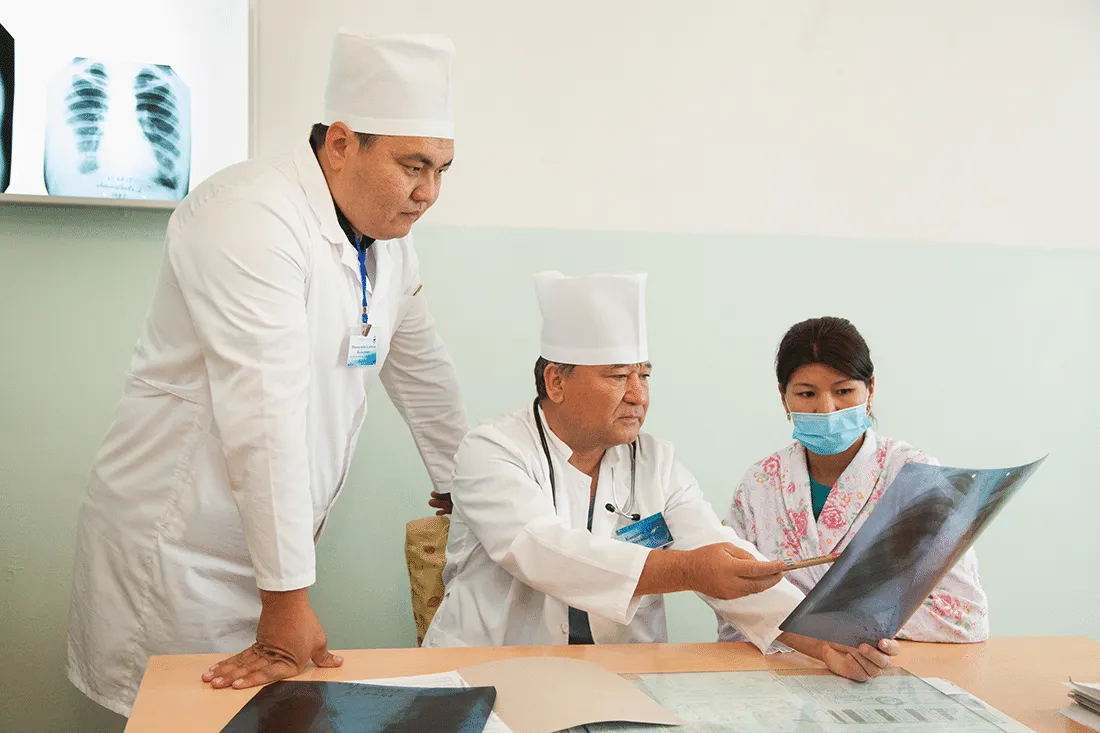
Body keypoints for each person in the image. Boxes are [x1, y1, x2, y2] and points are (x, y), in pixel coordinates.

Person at [66, 31, 468, 717]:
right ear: (340, 143)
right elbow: (265, 411)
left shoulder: (389, 247)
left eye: (442, 170)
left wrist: (468, 494)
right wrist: (286, 600)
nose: (427, 192)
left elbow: (426, 375)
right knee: (178, 717)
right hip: (179, 553)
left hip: (268, 551)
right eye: (413, 166)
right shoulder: (249, 215)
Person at [423, 272, 899, 683]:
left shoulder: (657, 461)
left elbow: (718, 551)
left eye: (644, 376)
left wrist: (818, 641)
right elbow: (543, 554)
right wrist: (689, 569)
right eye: (617, 377)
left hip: (619, 680)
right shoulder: (492, 450)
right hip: (489, 674)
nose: (637, 395)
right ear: (556, 382)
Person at [717, 316, 988, 644]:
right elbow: (736, 614)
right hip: (781, 676)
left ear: (870, 389)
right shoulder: (759, 486)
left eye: (843, 391)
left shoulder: (916, 477)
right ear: (783, 396)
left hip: (886, 673)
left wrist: (837, 623)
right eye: (806, 394)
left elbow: (965, 615)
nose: (827, 409)